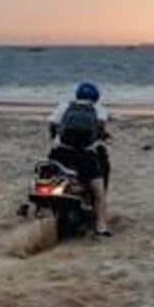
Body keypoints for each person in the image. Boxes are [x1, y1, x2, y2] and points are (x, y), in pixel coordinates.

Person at [48, 81, 113, 237]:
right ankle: (101, 226)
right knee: (99, 190)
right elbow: (101, 129)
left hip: (61, 153)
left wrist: (54, 138)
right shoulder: (99, 110)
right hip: (85, 155)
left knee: (48, 178)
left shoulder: (64, 106)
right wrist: (105, 135)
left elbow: (51, 123)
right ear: (96, 97)